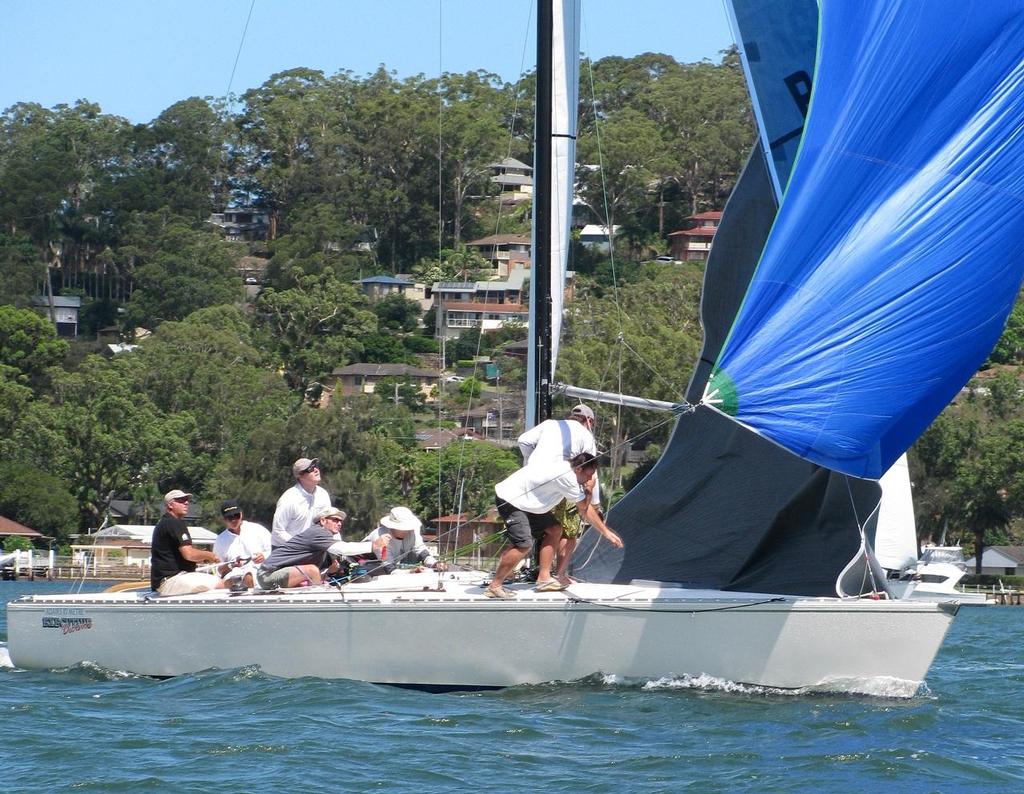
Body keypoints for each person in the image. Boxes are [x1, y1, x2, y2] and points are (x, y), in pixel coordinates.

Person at [486, 453, 623, 599]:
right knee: (524, 545)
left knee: (554, 530)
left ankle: (544, 579)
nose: (589, 479)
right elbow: (584, 507)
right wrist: (589, 489)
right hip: (511, 499)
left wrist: (606, 532)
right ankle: (494, 586)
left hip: (529, 502)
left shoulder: (568, 469)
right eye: (588, 475)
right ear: (578, 469)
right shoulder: (567, 478)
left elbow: (585, 510)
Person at [517, 404, 600, 585]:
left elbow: (523, 441)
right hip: (569, 488)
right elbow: (591, 471)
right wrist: (595, 502)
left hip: (543, 486)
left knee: (545, 529)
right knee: (569, 534)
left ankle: (541, 572)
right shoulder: (586, 435)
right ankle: (560, 575)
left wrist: (533, 463)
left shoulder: (549, 424)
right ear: (589, 421)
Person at [256, 507, 391, 590]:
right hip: (268, 575)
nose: (339, 523)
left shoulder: (324, 538)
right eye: (334, 520)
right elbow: (342, 548)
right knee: (312, 570)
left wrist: (330, 571)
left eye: (340, 521)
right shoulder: (318, 533)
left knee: (316, 571)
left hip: (280, 573)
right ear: (322, 521)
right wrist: (373, 545)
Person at [150, 489, 226, 595]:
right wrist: (210, 556)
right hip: (171, 582)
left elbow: (176, 557)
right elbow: (189, 554)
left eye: (186, 500)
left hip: (164, 582)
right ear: (170, 505)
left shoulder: (165, 523)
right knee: (225, 584)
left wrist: (202, 557)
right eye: (181, 500)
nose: (186, 502)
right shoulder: (174, 523)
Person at [359, 506, 448, 574]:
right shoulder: (380, 537)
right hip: (362, 569)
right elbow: (389, 568)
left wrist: (435, 564)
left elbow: (422, 552)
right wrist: (411, 571)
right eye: (403, 528)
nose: (407, 531)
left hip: (385, 570)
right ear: (392, 526)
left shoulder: (412, 532)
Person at [271, 457, 331, 547]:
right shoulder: (289, 499)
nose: (316, 470)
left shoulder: (323, 494)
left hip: (313, 549)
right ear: (300, 475)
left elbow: (329, 524)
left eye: (315, 466)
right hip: (287, 550)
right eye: (310, 469)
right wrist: (300, 546)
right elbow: (278, 531)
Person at [213, 499, 272, 589]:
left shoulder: (258, 529)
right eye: (229, 517)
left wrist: (263, 556)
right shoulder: (220, 540)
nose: (233, 520)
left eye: (236, 515)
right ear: (224, 519)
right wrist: (231, 565)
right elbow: (218, 569)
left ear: (241, 514)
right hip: (233, 575)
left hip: (259, 571)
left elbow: (273, 550)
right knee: (228, 581)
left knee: (249, 575)